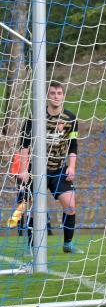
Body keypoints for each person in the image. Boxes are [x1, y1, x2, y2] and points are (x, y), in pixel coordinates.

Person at [17, 80, 83, 254]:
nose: (56, 96)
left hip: (58, 169)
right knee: (34, 209)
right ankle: (31, 247)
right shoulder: (35, 117)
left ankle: (67, 244)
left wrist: (72, 167)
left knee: (71, 205)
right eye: (53, 93)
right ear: (48, 96)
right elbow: (24, 145)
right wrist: (24, 170)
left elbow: (73, 144)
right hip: (37, 170)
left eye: (59, 93)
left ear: (63, 96)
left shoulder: (71, 119)